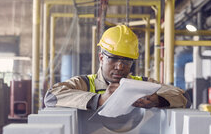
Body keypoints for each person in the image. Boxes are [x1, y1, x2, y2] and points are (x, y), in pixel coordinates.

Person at [44, 25, 191, 111]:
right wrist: (99, 100)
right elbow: (51, 97)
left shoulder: (144, 84)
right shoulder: (85, 84)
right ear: (101, 58)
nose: (120, 66)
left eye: (127, 60)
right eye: (113, 58)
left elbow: (184, 98)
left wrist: (158, 100)